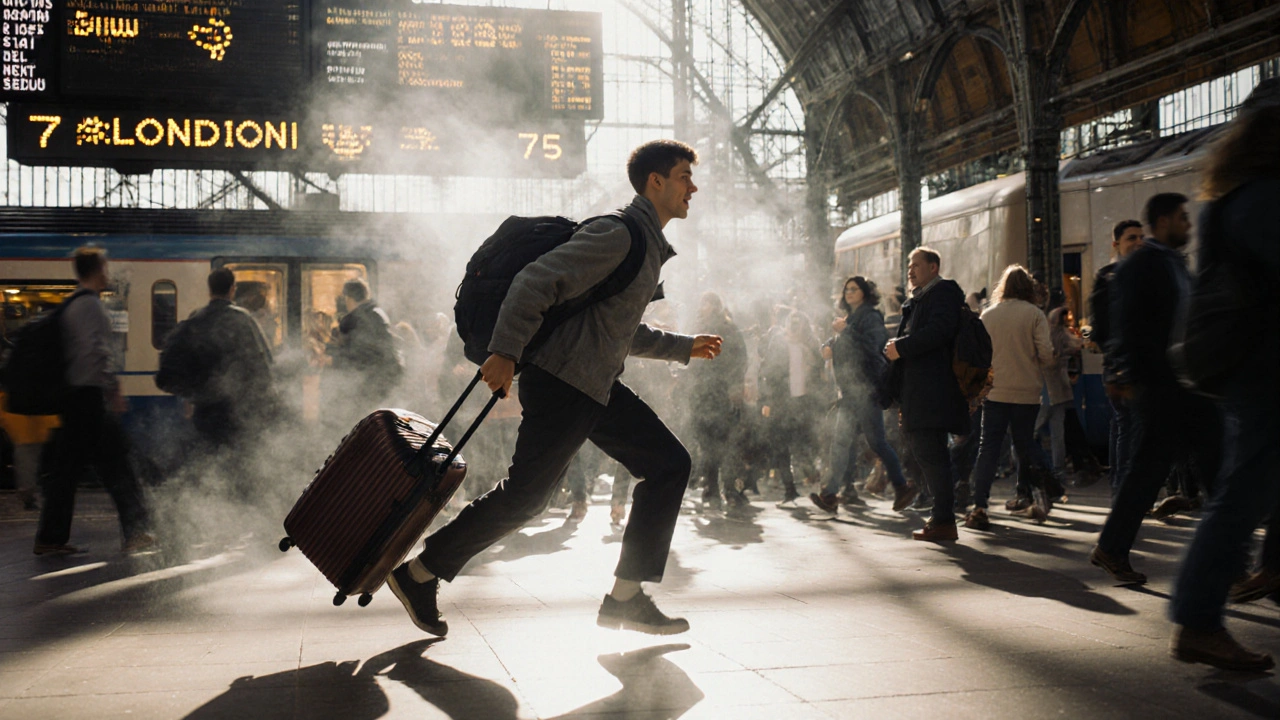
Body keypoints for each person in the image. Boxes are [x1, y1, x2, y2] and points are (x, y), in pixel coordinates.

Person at [386, 140, 723, 637]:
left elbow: (617, 330)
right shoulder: (620, 233)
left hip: (594, 383)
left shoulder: (647, 244)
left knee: (669, 465)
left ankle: (626, 597)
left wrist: (682, 346)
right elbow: (534, 281)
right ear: (656, 181)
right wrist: (504, 351)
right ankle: (418, 573)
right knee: (525, 498)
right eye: (683, 177)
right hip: (566, 383)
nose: (692, 187)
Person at [1168, 87, 1280, 671]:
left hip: (1247, 366)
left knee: (1245, 490)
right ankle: (1198, 618)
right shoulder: (1261, 199)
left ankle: (1200, 616)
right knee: (1240, 497)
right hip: (1266, 368)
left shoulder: (1227, 197)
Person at [1091, 193, 1222, 584]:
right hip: (1162, 386)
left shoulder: (1176, 264)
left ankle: (1112, 548)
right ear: (1164, 221)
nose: (1189, 224)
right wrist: (1127, 375)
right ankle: (1228, 564)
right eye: (1183, 217)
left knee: (1166, 471)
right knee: (1164, 471)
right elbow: (1126, 327)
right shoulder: (1140, 267)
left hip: (1185, 383)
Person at [35, 247, 153, 556]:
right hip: (89, 398)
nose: (109, 272)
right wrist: (113, 388)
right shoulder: (89, 307)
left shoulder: (75, 304)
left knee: (68, 472)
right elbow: (95, 353)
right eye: (105, 266)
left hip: (77, 398)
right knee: (118, 466)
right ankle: (137, 534)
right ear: (97, 270)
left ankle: (50, 538)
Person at [961, 265, 1057, 531]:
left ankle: (980, 506)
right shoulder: (1035, 314)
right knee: (1024, 443)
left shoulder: (988, 315)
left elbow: (977, 355)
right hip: (1027, 392)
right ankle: (1042, 491)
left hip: (995, 392)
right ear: (1028, 288)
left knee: (988, 447)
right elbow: (1047, 355)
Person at [811, 276, 916, 515]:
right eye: (846, 289)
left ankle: (900, 486)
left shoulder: (870, 317)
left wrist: (845, 331)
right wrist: (827, 346)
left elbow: (874, 346)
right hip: (851, 391)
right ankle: (831, 494)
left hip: (865, 390)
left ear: (865, 293)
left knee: (873, 441)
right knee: (844, 442)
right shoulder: (850, 318)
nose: (848, 293)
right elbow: (838, 343)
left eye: (854, 289)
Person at [885, 247, 970, 541]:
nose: (910, 270)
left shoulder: (942, 293)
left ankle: (944, 519)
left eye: (917, 265)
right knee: (929, 454)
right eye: (909, 265)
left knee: (932, 455)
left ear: (934, 267)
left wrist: (901, 346)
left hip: (932, 389)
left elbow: (940, 332)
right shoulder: (918, 300)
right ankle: (942, 517)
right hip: (920, 389)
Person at [156, 269, 276, 459]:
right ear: (232, 289)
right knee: (241, 467)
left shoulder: (195, 321)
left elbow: (166, 373)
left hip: (205, 414)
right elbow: (263, 367)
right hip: (239, 414)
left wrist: (192, 393)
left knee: (210, 465)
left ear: (209, 290)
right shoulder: (243, 320)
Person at [1089, 219, 1144, 494]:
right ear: (1116, 244)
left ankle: (1121, 487)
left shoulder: (1144, 275)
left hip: (1139, 366)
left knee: (1122, 426)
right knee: (1127, 427)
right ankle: (1124, 489)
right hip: (1122, 367)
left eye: (1140, 237)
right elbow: (1099, 328)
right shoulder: (1109, 277)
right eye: (1131, 238)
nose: (1137, 242)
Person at [686, 291, 747, 511]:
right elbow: (690, 359)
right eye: (703, 302)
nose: (705, 307)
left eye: (709, 303)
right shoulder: (697, 328)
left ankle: (729, 488)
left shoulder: (728, 329)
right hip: (701, 393)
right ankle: (710, 488)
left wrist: (735, 384)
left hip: (721, 392)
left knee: (726, 441)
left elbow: (739, 358)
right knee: (706, 443)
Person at [760, 309, 823, 508]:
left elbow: (819, 373)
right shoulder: (778, 343)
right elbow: (769, 372)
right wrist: (768, 400)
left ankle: (813, 483)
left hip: (804, 401)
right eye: (791, 322)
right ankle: (789, 489)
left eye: (798, 322)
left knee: (803, 444)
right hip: (781, 401)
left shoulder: (811, 344)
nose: (794, 326)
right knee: (780, 446)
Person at [327, 279, 404, 411]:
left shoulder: (361, 319)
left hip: (372, 384)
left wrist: (333, 360)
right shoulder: (376, 313)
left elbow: (360, 354)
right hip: (385, 380)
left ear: (349, 298)